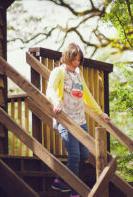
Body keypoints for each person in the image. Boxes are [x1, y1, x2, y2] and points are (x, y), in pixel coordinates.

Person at [46, 43, 110, 197]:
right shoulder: (58, 72)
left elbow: (86, 94)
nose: (76, 63)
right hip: (66, 119)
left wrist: (100, 112)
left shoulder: (78, 73)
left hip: (80, 120)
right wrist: (56, 102)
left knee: (84, 155)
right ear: (67, 57)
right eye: (74, 60)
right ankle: (75, 192)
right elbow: (51, 90)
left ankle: (60, 181)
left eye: (79, 60)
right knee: (74, 155)